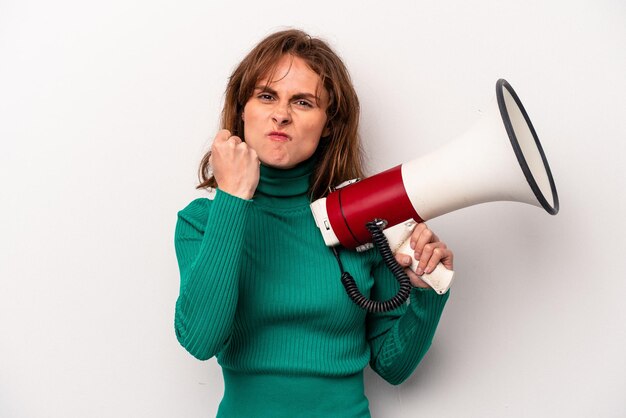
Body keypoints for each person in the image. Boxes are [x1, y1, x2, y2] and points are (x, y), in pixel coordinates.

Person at [174, 29, 454, 418]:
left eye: (303, 102)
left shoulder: (362, 220)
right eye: (266, 96)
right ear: (242, 110)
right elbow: (201, 340)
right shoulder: (203, 221)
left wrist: (426, 293)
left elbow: (393, 367)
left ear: (328, 125)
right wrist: (232, 199)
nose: (282, 114)